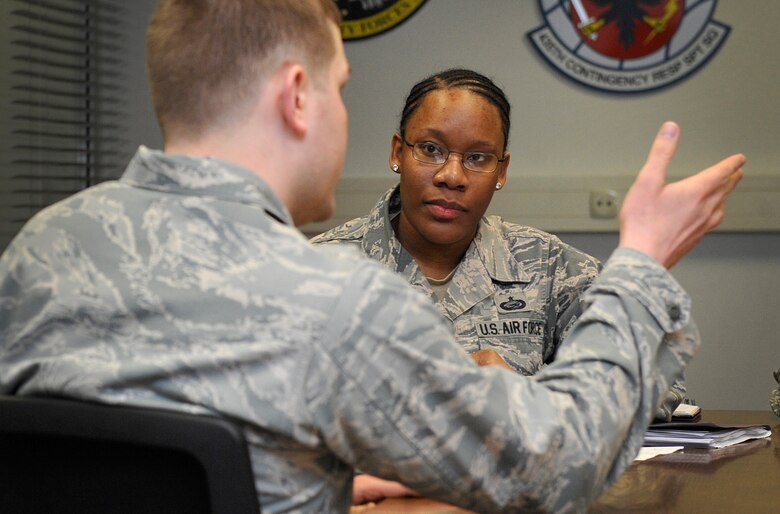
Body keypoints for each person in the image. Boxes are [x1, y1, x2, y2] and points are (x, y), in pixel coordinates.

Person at [0, 1, 744, 513]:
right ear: (298, 96)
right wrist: (642, 259)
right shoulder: (336, 299)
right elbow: (557, 464)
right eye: (341, 87)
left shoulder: (38, 252)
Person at [311, 68, 685, 423]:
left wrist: (528, 395)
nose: (452, 176)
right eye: (430, 149)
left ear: (501, 171)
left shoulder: (548, 267)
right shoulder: (319, 270)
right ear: (397, 153)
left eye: (477, 158)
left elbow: (658, 382)